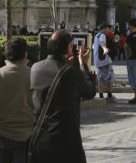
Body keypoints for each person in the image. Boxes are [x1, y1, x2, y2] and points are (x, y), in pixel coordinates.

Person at [28, 29, 96, 162]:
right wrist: (83, 65)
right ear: (69, 47)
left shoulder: (36, 68)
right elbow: (89, 92)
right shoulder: (71, 72)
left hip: (40, 137)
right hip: (66, 140)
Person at [92, 23, 115, 102]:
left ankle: (101, 95)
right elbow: (102, 43)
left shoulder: (96, 36)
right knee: (110, 77)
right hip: (104, 60)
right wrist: (105, 48)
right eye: (108, 28)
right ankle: (109, 95)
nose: (109, 30)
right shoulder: (102, 35)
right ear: (105, 28)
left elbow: (94, 46)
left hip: (98, 61)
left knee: (100, 78)